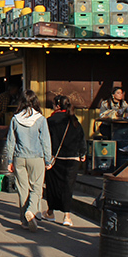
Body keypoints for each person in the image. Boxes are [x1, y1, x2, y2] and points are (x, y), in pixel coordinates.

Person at [3, 89, 52, 232]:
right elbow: (45, 141)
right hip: (37, 157)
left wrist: (9, 160)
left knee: (22, 189)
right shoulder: (41, 119)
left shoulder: (15, 118)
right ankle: (32, 210)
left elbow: (10, 141)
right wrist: (48, 160)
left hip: (19, 157)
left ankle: (25, 220)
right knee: (36, 188)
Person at [41, 95, 86, 227]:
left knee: (52, 186)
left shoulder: (51, 121)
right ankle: (67, 216)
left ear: (58, 106)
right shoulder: (74, 120)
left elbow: (46, 139)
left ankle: (50, 212)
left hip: (55, 158)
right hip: (73, 158)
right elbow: (81, 137)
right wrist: (82, 153)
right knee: (68, 186)